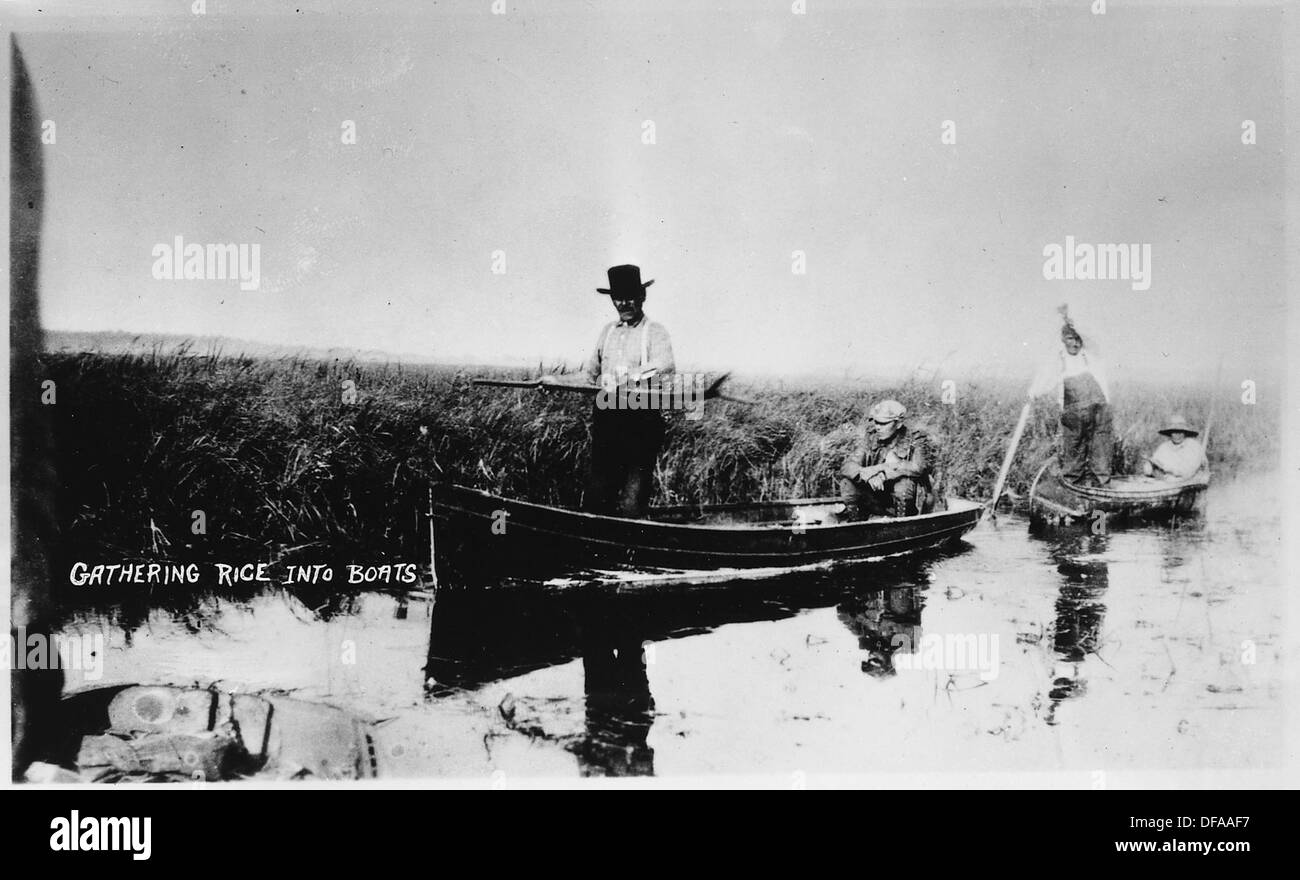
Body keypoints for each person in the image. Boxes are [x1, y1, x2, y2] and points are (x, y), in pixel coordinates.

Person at [557, 264, 675, 517]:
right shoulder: (607, 332)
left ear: (642, 296)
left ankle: (631, 550)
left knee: (633, 498)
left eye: (630, 296)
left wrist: (631, 377)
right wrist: (552, 379)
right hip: (607, 423)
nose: (624, 303)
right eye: (618, 298)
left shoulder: (654, 332)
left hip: (640, 422)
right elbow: (589, 376)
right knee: (598, 496)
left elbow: (665, 367)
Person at [1028, 315, 1115, 486]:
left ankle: (1102, 491)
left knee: (1100, 451)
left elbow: (1091, 337)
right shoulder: (1058, 361)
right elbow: (1045, 381)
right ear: (1062, 339)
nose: (1075, 344)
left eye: (1078, 339)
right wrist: (1033, 393)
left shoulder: (1090, 355)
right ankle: (1073, 489)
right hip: (1073, 414)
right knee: (1074, 452)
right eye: (1070, 338)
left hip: (1099, 411)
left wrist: (1073, 322)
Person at [839, 400, 934, 518]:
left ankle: (902, 524)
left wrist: (883, 472)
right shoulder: (871, 437)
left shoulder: (915, 438)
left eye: (883, 423)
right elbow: (848, 465)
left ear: (898, 424)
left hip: (910, 499)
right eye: (876, 422)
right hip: (878, 494)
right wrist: (864, 473)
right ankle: (855, 521)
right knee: (847, 482)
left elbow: (918, 467)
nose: (878, 427)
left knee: (903, 484)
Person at [1142, 414, 1207, 481]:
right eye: (1174, 432)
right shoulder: (1164, 447)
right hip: (1168, 481)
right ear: (1170, 433)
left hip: (1192, 482)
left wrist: (1167, 470)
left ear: (1185, 433)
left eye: (1180, 432)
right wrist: (1149, 465)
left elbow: (1188, 473)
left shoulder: (1194, 446)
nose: (1177, 435)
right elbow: (1154, 464)